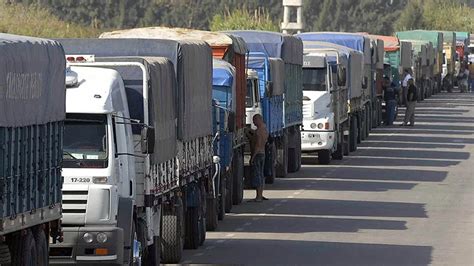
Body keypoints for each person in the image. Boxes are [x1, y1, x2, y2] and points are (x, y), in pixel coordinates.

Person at [245, 114, 269, 202]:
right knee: (261, 175)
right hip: (262, 154)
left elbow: (258, 145)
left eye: (254, 120)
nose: (254, 123)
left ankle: (258, 196)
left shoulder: (259, 131)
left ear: (259, 120)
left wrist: (253, 157)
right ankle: (260, 195)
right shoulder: (264, 130)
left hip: (258, 155)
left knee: (257, 175)